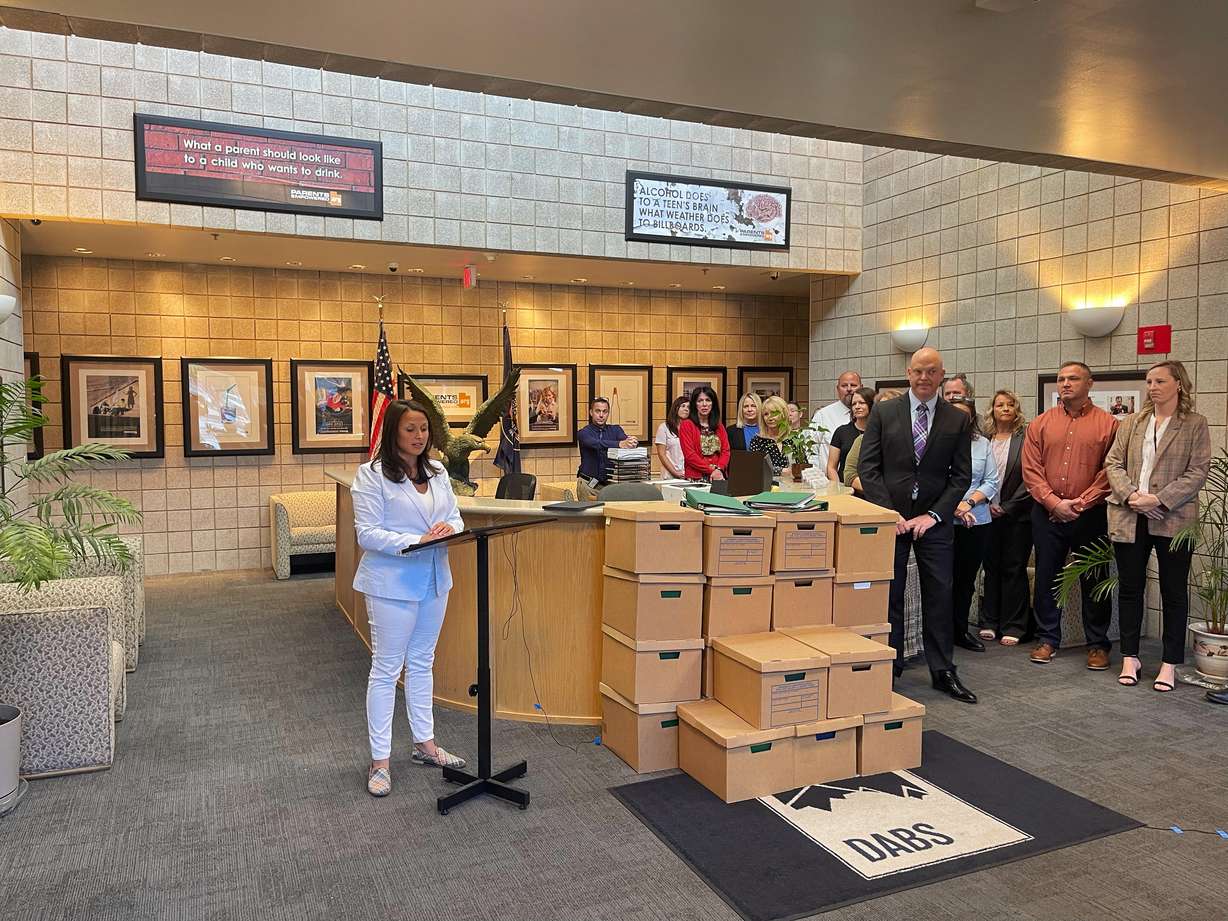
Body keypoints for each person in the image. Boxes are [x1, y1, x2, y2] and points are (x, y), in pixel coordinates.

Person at [351, 400, 467, 797]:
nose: (419, 437)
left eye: (423, 429)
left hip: (435, 579)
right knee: (386, 669)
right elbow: (366, 533)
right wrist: (417, 540)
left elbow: (456, 518)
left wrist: (445, 527)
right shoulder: (371, 476)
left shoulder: (438, 471)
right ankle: (379, 761)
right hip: (392, 583)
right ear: (393, 433)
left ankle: (425, 744)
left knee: (422, 663)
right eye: (410, 429)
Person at [858, 347, 976, 704]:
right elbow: (869, 467)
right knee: (890, 595)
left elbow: (961, 477)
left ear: (942, 376)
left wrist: (935, 515)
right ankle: (889, 668)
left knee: (939, 594)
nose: (924, 378)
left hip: (934, 523)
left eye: (932, 372)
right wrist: (889, 511)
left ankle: (943, 670)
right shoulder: (884, 411)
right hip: (891, 519)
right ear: (909, 373)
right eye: (918, 372)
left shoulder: (956, 419)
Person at [1104, 360, 1210, 692]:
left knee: (1173, 591)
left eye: (1160, 381)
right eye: (1149, 381)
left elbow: (1198, 472)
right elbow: (1113, 462)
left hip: (1173, 516)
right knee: (1131, 588)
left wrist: (1159, 500)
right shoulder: (1133, 422)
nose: (1152, 387)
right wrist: (1132, 495)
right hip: (1130, 513)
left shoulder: (1194, 423)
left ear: (1178, 384)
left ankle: (1169, 662)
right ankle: (1130, 657)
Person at [1021, 361, 1118, 669]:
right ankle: (1048, 639)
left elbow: (1111, 471)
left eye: (1073, 379)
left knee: (1093, 578)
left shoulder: (1109, 424)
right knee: (1049, 576)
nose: (1065, 383)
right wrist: (1053, 503)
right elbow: (1031, 469)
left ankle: (1098, 645)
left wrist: (1080, 503)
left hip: (1091, 515)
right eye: (1061, 379)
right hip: (1047, 514)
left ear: (1089, 384)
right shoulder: (1040, 423)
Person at [979, 390, 1034, 646]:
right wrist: (984, 504)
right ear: (992, 409)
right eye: (999, 404)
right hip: (984, 513)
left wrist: (1007, 507)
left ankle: (1014, 625)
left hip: (1017, 515)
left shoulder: (1025, 439)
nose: (1005, 409)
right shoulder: (983, 439)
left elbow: (1031, 478)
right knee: (990, 568)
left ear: (1017, 409)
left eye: (1010, 404)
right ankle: (989, 621)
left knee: (1014, 568)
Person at [946, 396, 999, 653]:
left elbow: (991, 481)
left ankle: (960, 630)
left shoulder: (982, 444)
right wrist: (954, 507)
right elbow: (932, 482)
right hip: (943, 521)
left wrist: (968, 503)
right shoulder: (935, 443)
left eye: (964, 415)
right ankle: (939, 632)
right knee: (943, 580)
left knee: (966, 580)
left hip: (976, 520)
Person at [843, 389, 902, 495]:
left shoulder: (914, 440)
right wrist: (878, 492)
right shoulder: (862, 440)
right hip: (872, 501)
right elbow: (850, 475)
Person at [576, 396, 637, 498]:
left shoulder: (616, 430)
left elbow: (625, 441)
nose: (601, 415)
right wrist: (619, 444)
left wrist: (632, 442)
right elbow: (597, 444)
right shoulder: (584, 432)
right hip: (588, 485)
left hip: (609, 485)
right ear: (591, 412)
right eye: (598, 411)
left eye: (605, 412)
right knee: (590, 513)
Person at [809, 370, 862, 472]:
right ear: (837, 389)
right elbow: (811, 451)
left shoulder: (871, 416)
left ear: (861, 387)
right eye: (844, 386)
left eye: (853, 385)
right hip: (829, 482)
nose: (849, 389)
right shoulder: (823, 415)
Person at [679, 385, 729, 481]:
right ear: (695, 404)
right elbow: (690, 455)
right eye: (700, 401)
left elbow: (726, 451)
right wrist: (712, 470)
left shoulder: (719, 426)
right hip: (696, 477)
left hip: (719, 476)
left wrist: (719, 469)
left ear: (713, 403)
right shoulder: (687, 425)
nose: (704, 404)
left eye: (708, 400)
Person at [826, 387, 874, 485]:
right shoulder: (841, 432)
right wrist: (838, 489)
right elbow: (831, 467)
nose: (857, 406)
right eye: (854, 404)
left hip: (871, 487)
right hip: (846, 487)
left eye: (861, 403)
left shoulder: (878, 432)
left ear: (871, 404)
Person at [749, 395, 790, 474]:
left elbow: (803, 465)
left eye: (774, 413)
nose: (770, 418)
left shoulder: (793, 439)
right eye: (766, 414)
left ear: (783, 414)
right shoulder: (757, 441)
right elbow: (756, 467)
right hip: (767, 485)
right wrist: (781, 471)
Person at [654, 395, 690, 479]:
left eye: (689, 407)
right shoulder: (664, 427)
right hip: (669, 475)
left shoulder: (691, 429)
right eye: (683, 406)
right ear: (676, 408)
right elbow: (661, 454)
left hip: (688, 475)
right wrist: (675, 472)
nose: (686, 409)